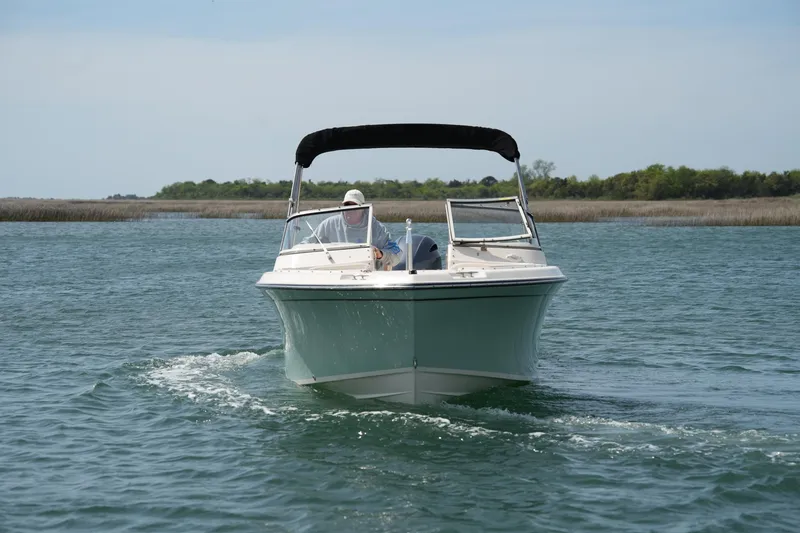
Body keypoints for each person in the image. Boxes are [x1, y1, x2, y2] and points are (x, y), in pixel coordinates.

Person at [306, 189, 402, 269]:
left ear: (363, 209)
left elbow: (397, 253)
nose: (350, 209)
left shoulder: (377, 228)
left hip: (367, 274)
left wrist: (381, 254)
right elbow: (307, 243)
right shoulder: (329, 224)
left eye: (355, 206)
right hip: (335, 272)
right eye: (347, 205)